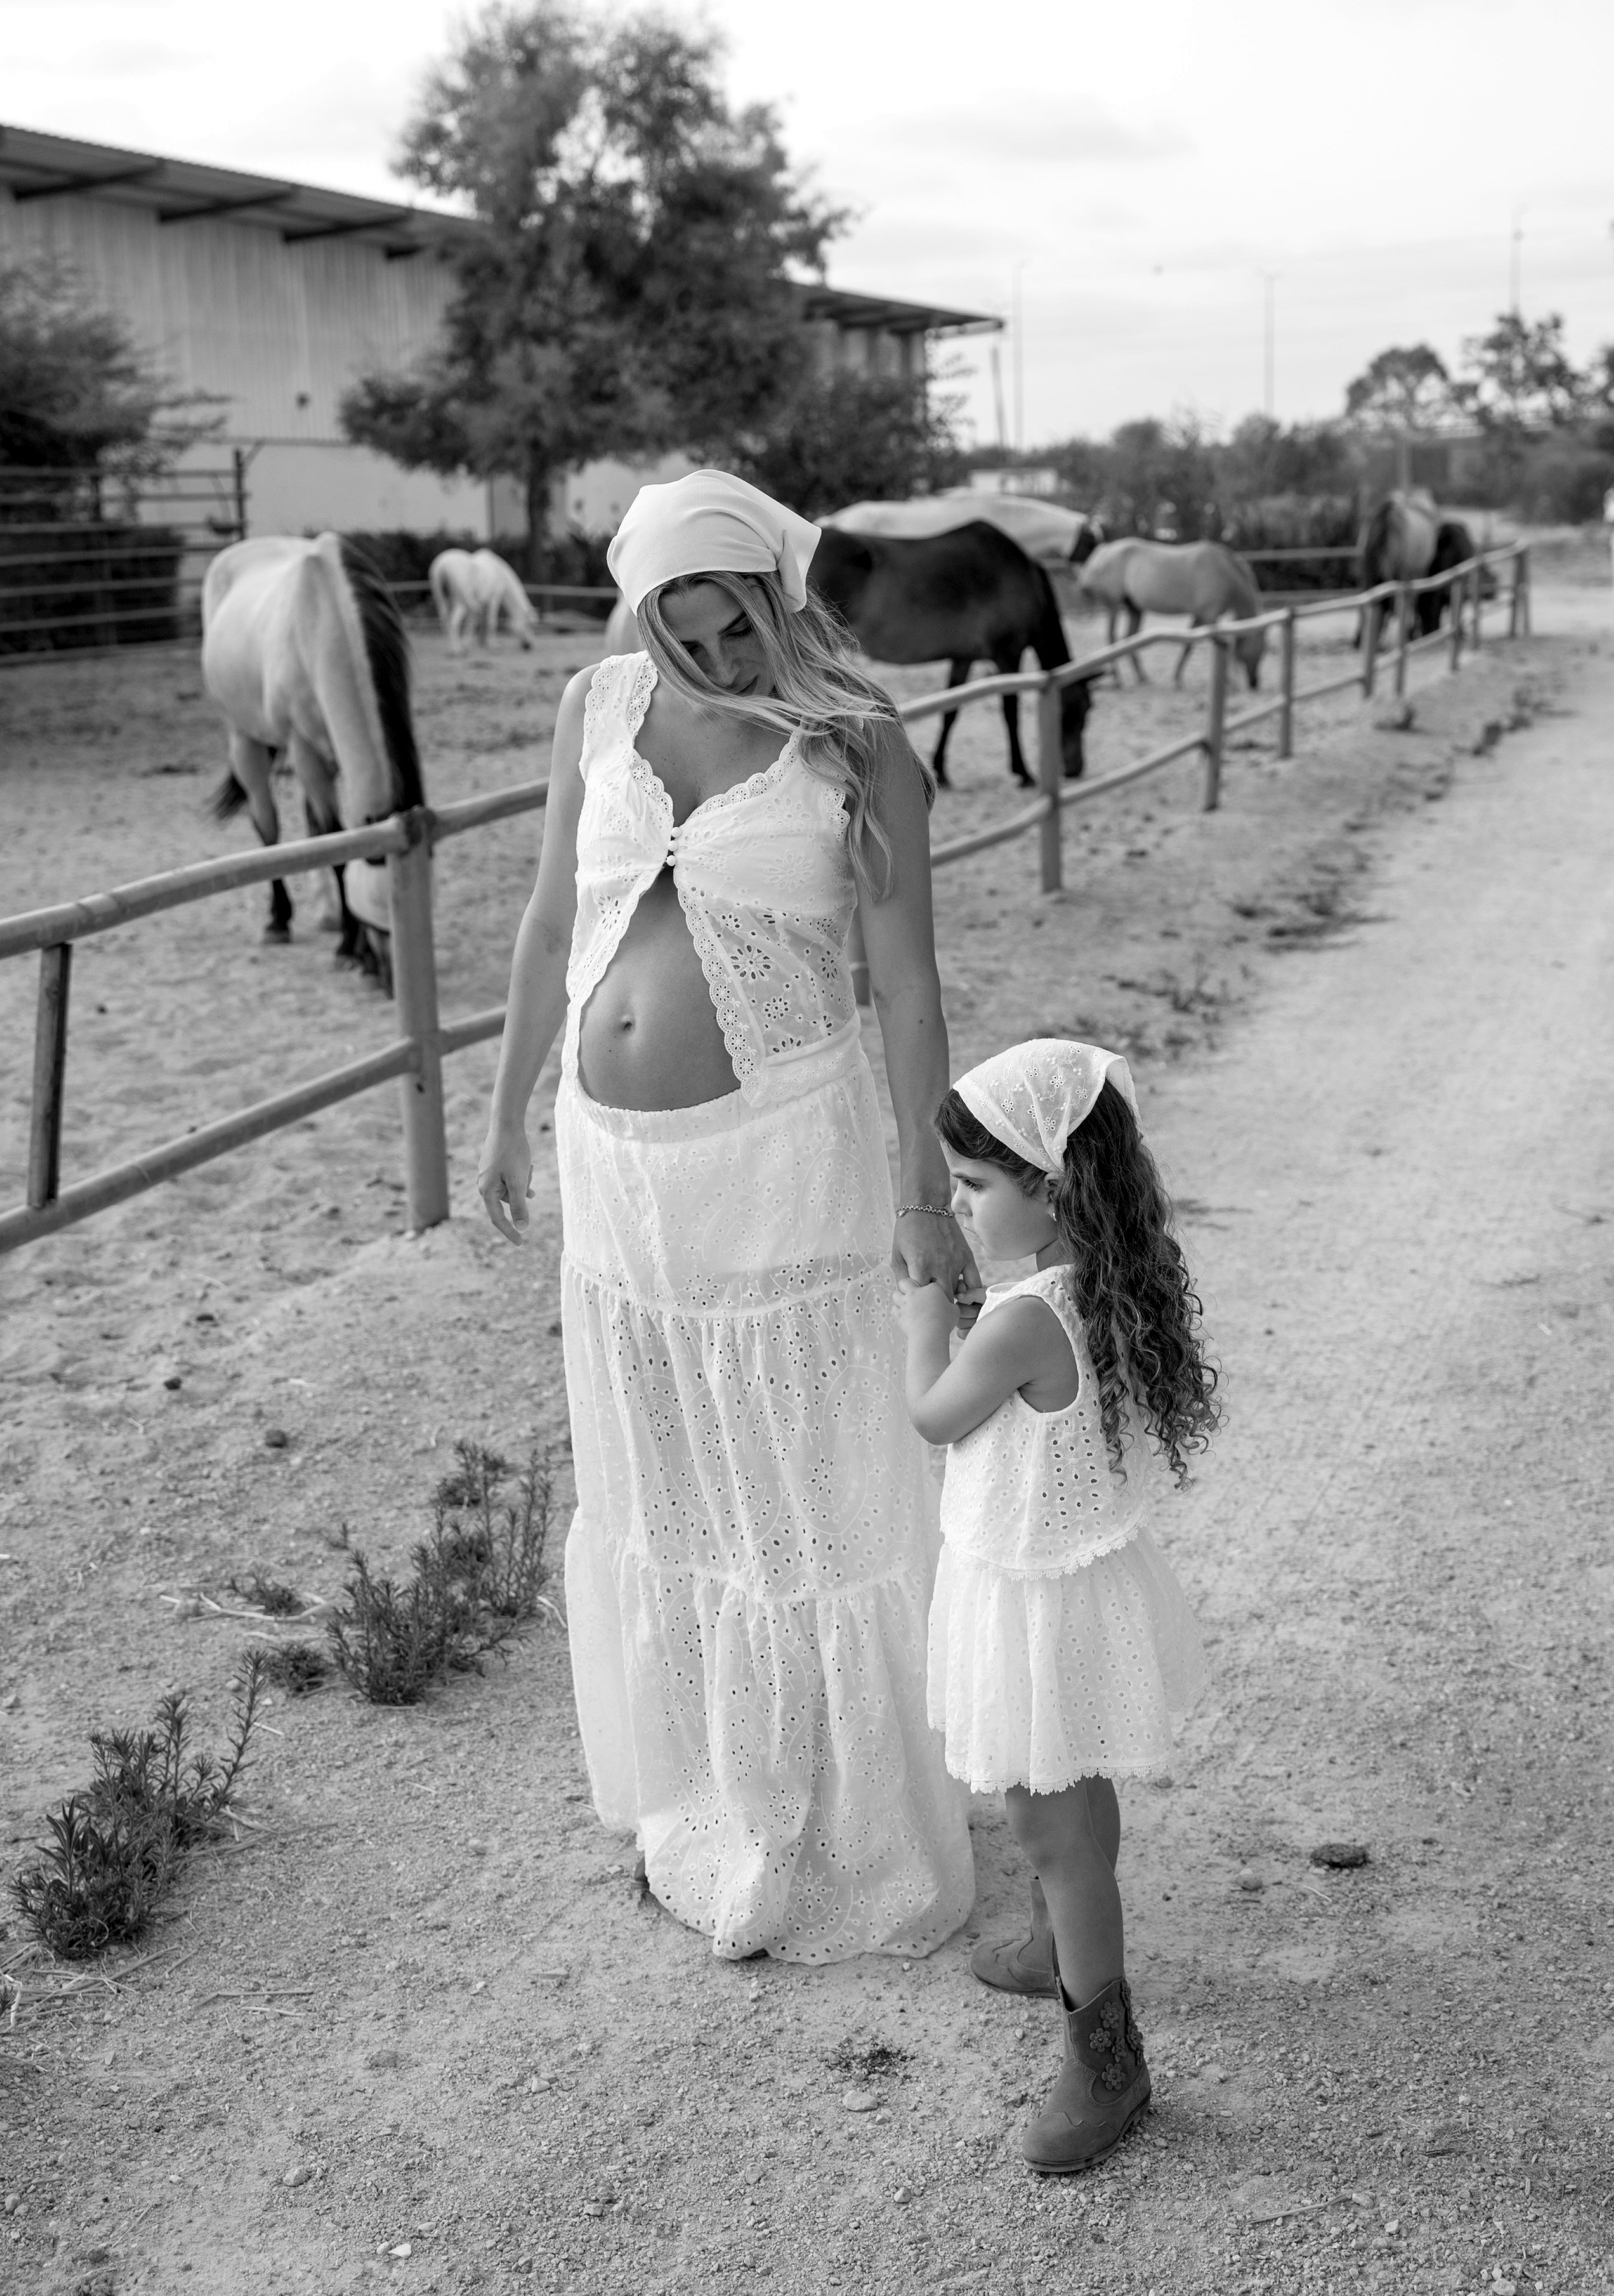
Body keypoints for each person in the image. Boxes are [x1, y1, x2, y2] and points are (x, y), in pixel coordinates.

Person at [477, 470, 977, 1963]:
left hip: (782, 1158)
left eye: (733, 630)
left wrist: (921, 1191)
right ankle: (706, 1783)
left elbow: (907, 988)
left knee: (809, 1486)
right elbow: (551, 918)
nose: (708, 660)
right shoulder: (597, 704)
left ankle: (834, 1820)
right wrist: (503, 1109)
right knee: (667, 1480)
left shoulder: (857, 746)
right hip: (614, 1172)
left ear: (777, 598)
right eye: (676, 632)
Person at [897, 1038, 1215, 2170]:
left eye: (977, 1188)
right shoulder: (1097, 1286)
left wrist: (926, 1311)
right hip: (1075, 1589)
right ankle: (1053, 1941)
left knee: (1047, 1820)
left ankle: (1108, 2065)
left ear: (1053, 1186)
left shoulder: (1020, 1320)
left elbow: (935, 1417)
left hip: (1034, 1599)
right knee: (1075, 1794)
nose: (960, 1206)